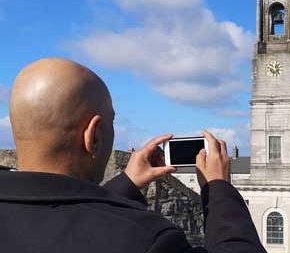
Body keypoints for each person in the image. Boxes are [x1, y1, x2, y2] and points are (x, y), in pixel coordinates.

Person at [0, 58, 267, 253]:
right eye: (111, 121)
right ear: (93, 136)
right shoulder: (147, 239)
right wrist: (219, 189)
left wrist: (126, 183)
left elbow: (61, 216)